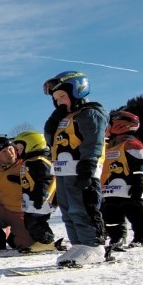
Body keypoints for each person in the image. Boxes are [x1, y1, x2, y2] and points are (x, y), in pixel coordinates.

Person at [44, 70, 108, 266]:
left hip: (81, 170)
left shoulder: (89, 113)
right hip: (63, 172)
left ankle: (93, 246)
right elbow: (51, 141)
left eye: (62, 96)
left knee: (83, 208)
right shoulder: (64, 118)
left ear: (77, 91)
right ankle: (78, 244)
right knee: (69, 211)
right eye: (56, 99)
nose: (59, 101)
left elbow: (93, 141)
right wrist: (55, 118)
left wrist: (88, 166)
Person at [101, 108, 143, 249]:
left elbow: (138, 168)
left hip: (129, 187)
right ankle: (117, 238)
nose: (106, 128)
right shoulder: (108, 145)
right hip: (110, 189)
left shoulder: (131, 143)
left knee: (135, 213)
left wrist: (137, 186)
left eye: (109, 124)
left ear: (120, 125)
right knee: (110, 216)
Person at [13, 130, 61, 253]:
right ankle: (43, 241)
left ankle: (46, 242)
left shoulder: (39, 161)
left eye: (20, 147)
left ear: (32, 145)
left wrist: (39, 197)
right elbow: (30, 179)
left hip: (41, 199)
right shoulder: (31, 161)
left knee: (34, 222)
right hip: (34, 199)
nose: (17, 150)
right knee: (33, 221)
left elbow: (44, 180)